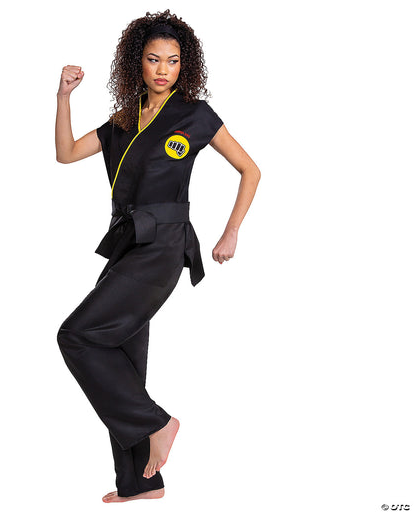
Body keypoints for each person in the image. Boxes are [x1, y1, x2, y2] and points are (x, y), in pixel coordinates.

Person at [54, 9, 261, 504]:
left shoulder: (195, 115)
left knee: (76, 336)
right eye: (153, 59)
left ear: (184, 65)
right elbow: (66, 153)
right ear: (138, 63)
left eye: (172, 60)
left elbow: (250, 170)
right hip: (125, 245)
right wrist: (63, 97)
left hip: (164, 245)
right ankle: (141, 483)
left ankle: (157, 423)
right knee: (121, 358)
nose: (163, 69)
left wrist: (230, 232)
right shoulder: (124, 120)